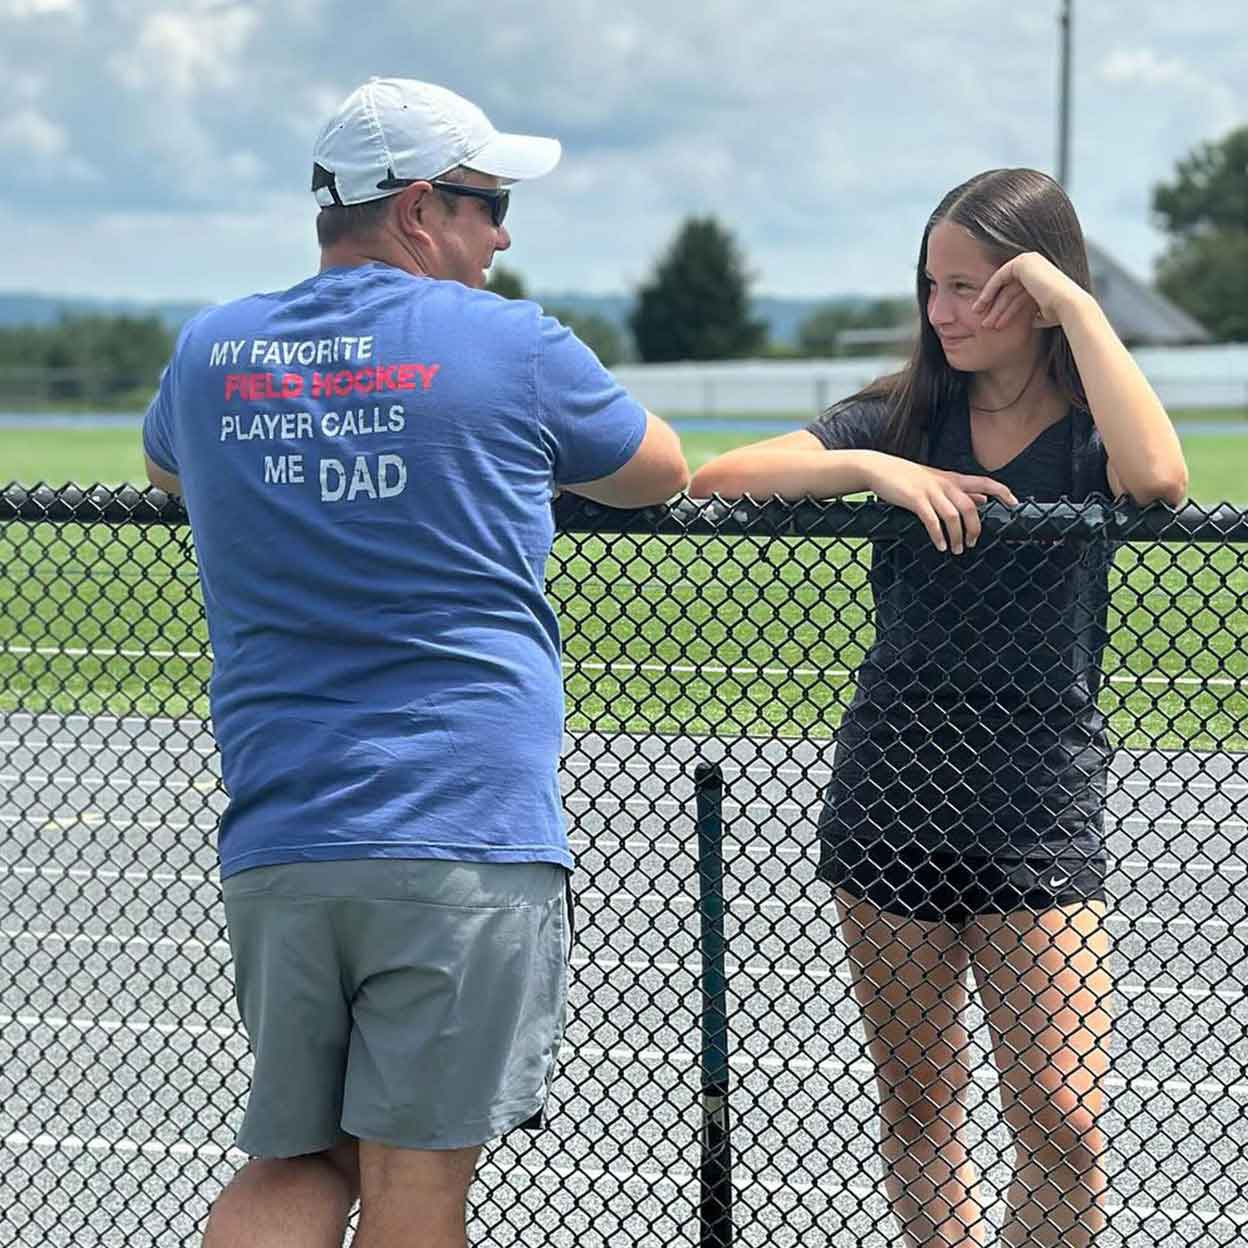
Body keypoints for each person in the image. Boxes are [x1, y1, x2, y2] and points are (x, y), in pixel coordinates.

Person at [142, 77, 688, 1248]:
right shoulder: (512, 343)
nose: (502, 237)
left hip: (281, 827)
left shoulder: (211, 350)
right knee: (416, 1180)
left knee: (297, 1159)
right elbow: (656, 469)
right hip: (459, 828)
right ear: (419, 209)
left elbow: (169, 472)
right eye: (491, 205)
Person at [690, 168, 1186, 1248]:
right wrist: (874, 468)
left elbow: (1158, 480)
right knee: (922, 1109)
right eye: (933, 285)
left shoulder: (1091, 430)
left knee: (1064, 1121)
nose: (945, 311)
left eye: (975, 287)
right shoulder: (903, 415)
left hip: (1037, 795)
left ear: (1037, 291)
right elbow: (720, 477)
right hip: (893, 789)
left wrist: (1079, 306)